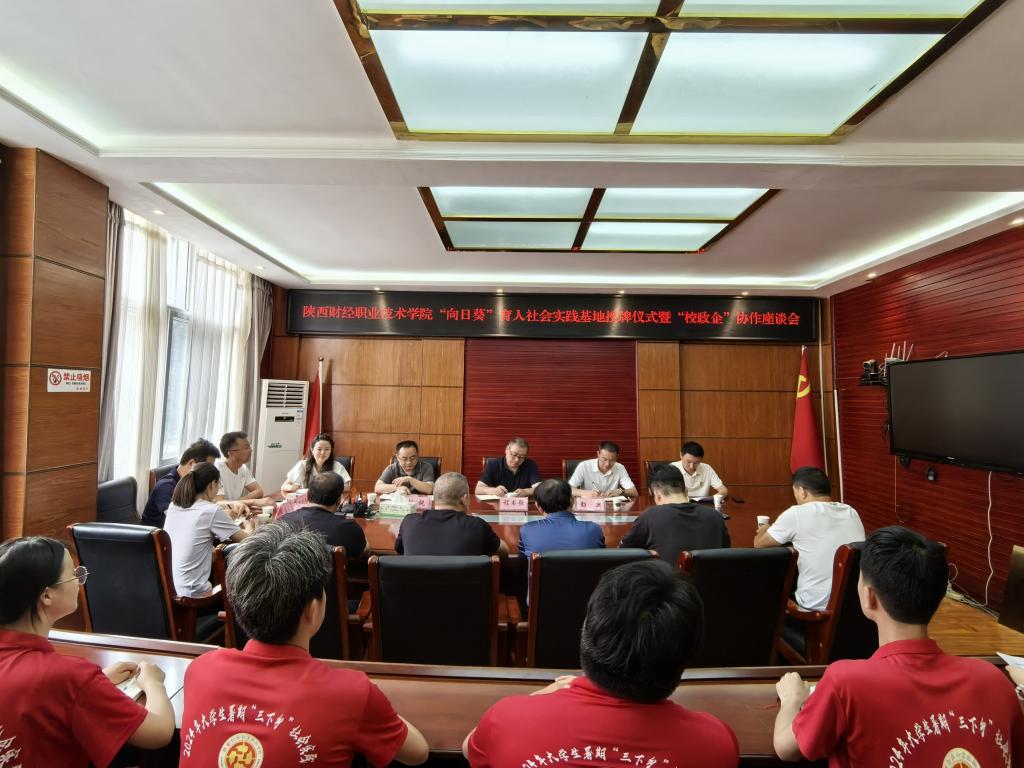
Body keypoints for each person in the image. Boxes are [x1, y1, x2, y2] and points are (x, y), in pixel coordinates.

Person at [773, 526, 1024, 766]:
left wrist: (792, 700)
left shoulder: (844, 682)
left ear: (869, 596)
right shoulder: (996, 682)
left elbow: (786, 748)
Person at [179, 525, 429, 766]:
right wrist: (371, 706)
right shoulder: (350, 693)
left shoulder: (200, 669)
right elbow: (418, 753)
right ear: (313, 609)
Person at [464, 560, 738, 767]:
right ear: (690, 653)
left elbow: (470, 748)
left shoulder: (507, 719)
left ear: (586, 630)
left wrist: (545, 693)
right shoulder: (716, 744)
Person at [0, 536, 175, 766]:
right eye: (73, 574)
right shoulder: (69, 676)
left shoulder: (65, 679)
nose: (79, 580)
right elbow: (159, 732)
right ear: (47, 595)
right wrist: (153, 683)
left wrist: (97, 682)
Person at [754, 467, 864, 611]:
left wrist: (764, 529)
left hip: (815, 608)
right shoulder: (851, 512)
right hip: (856, 606)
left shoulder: (796, 514)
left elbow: (759, 544)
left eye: (794, 492)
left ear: (802, 491)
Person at [164, 462, 253, 598]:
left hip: (172, 592)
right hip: (196, 596)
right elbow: (249, 541)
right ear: (212, 484)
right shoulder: (210, 510)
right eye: (219, 485)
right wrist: (249, 525)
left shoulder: (174, 506)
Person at [619, 464, 730, 565]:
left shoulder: (650, 516)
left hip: (666, 580)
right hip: (711, 580)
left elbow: (623, 553)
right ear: (686, 491)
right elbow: (725, 552)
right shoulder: (716, 516)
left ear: (656, 494)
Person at [395, 473, 507, 556]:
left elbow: (399, 549)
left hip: (416, 582)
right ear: (464, 499)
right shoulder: (477, 525)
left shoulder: (409, 522)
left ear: (435, 497)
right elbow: (504, 551)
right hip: (463, 582)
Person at [281, 471, 368, 557]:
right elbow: (365, 552)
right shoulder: (348, 528)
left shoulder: (284, 521)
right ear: (339, 500)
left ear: (307, 495)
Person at [141, 438, 221, 528]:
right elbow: (179, 518)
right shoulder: (166, 486)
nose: (210, 473)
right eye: (208, 468)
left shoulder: (192, 483)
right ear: (191, 463)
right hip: (159, 535)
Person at [518, 479, 604, 560]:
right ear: (572, 501)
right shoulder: (593, 529)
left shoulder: (527, 530)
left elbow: (522, 559)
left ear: (538, 506)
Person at [214, 431, 273, 507]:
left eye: (250, 446)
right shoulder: (216, 470)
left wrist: (239, 503)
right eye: (246, 447)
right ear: (231, 453)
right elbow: (218, 502)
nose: (251, 450)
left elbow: (259, 491)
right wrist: (252, 502)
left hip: (235, 511)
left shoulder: (242, 468)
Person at [281, 432, 351, 495]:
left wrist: (330, 489)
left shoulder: (336, 466)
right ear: (312, 450)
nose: (323, 452)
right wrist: (292, 488)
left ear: (331, 451)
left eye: (327, 449)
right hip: (306, 500)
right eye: (319, 449)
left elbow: (348, 486)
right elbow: (284, 486)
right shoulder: (303, 465)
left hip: (327, 500)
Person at [568, 442, 638, 499]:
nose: (607, 464)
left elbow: (634, 492)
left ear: (617, 457)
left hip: (611, 508)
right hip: (589, 507)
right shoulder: (584, 466)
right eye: (604, 459)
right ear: (598, 454)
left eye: (612, 460)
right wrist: (587, 493)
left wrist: (621, 491)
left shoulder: (620, 468)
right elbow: (569, 490)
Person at [476, 437, 541, 498]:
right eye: (514, 455)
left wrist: (526, 491)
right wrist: (494, 490)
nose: (517, 460)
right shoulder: (493, 464)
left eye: (522, 457)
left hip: (521, 504)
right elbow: (478, 489)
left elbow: (540, 489)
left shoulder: (530, 465)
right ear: (507, 449)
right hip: (498, 504)